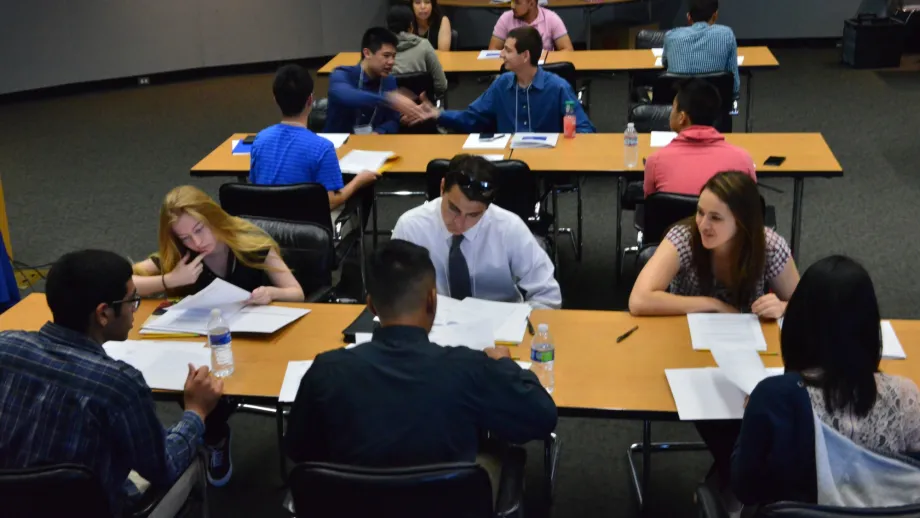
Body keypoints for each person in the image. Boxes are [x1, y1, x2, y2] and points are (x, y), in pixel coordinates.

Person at [285, 239, 557, 499]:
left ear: (370, 306)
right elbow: (542, 416)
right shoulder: (470, 369)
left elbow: (299, 449)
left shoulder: (327, 370)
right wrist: (505, 365)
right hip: (447, 505)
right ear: (432, 301)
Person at [0, 250, 224, 514]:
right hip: (90, 507)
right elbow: (164, 467)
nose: (134, 310)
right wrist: (195, 412)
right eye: (133, 301)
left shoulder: (5, 345)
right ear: (103, 314)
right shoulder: (118, 385)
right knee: (192, 454)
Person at [732, 256, 920, 506]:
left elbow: (745, 488)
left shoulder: (775, 398)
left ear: (797, 324)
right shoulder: (905, 395)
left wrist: (754, 413)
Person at [391, 154, 562, 309]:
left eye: (473, 215)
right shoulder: (410, 227)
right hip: (432, 327)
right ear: (442, 188)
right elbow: (392, 293)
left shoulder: (508, 227)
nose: (460, 223)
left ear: (487, 208)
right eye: (453, 209)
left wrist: (522, 326)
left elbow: (547, 296)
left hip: (501, 326)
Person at [630, 171, 798, 317]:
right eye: (700, 212)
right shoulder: (683, 238)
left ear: (742, 223)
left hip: (746, 341)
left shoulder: (770, 246)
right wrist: (714, 305)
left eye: (715, 218)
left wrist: (782, 307)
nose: (703, 225)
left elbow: (805, 306)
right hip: (685, 334)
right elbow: (638, 300)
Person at [132, 185, 305, 304]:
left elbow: (297, 293)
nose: (196, 243)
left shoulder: (250, 244)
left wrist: (272, 293)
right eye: (185, 237)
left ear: (213, 218)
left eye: (199, 229)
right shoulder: (182, 253)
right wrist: (170, 280)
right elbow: (127, 283)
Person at [408, 26, 594, 134]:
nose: (501, 54)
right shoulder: (501, 84)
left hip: (547, 162)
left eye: (507, 50)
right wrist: (438, 114)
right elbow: (472, 117)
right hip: (507, 163)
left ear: (525, 56)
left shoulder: (559, 88)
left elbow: (585, 128)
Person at [249, 64, 378, 209]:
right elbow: (331, 202)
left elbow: (256, 186)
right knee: (362, 187)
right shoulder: (322, 148)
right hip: (308, 227)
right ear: (310, 100)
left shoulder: (260, 140)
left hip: (266, 225)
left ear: (275, 99)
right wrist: (359, 181)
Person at [644, 78, 755, 197]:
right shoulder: (743, 160)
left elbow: (650, 205)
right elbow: (750, 207)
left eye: (673, 107)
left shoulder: (655, 162)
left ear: (682, 117)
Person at [324, 27, 426, 134]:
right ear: (367, 53)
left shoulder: (389, 80)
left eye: (393, 56)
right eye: (386, 56)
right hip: (338, 145)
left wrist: (380, 131)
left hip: (373, 144)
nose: (391, 62)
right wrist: (388, 99)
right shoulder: (342, 74)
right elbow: (348, 95)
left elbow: (393, 119)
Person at [662, 0, 741, 100]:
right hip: (715, 109)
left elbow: (665, 63)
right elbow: (734, 87)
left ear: (688, 17)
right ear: (715, 15)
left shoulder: (671, 36)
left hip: (680, 108)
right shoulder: (727, 35)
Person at [387, 4, 448, 95]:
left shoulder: (377, 48)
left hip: (386, 106)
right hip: (422, 106)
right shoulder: (425, 45)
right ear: (411, 27)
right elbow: (441, 85)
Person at [489, 0, 573, 52]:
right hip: (513, 71)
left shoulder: (551, 18)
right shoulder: (505, 18)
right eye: (512, 1)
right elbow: (492, 50)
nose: (512, 6)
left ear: (531, 4)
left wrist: (547, 57)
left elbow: (568, 50)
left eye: (517, 2)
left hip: (544, 71)